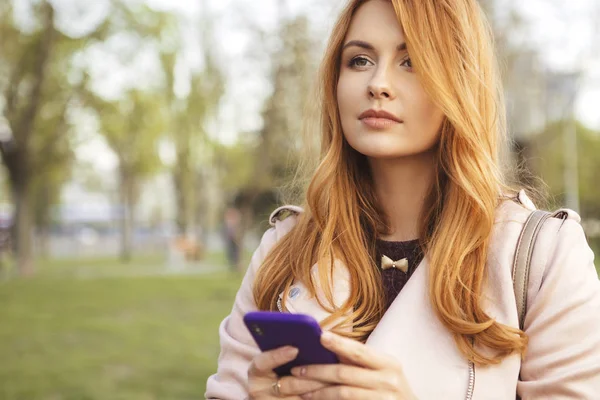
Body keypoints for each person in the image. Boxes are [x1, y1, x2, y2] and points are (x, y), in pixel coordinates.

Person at [206, 0, 600, 398]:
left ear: (460, 80)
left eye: (411, 61)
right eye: (359, 60)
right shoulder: (285, 247)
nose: (377, 83)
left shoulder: (542, 256)